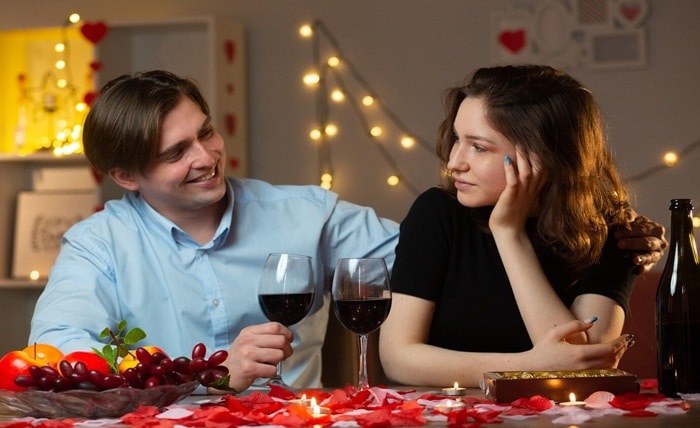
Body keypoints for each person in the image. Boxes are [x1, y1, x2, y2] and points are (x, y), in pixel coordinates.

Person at [29, 70, 663, 393]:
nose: (205, 157)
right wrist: (210, 374)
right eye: (176, 153)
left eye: (206, 133)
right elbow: (60, 360)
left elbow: (447, 258)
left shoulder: (309, 214)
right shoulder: (97, 246)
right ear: (124, 175)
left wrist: (605, 236)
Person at [378, 64, 667, 388]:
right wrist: (528, 365)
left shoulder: (616, 234)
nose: (455, 161)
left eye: (479, 147)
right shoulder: (437, 214)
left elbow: (581, 368)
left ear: (543, 156)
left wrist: (509, 233)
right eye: (458, 139)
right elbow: (397, 357)